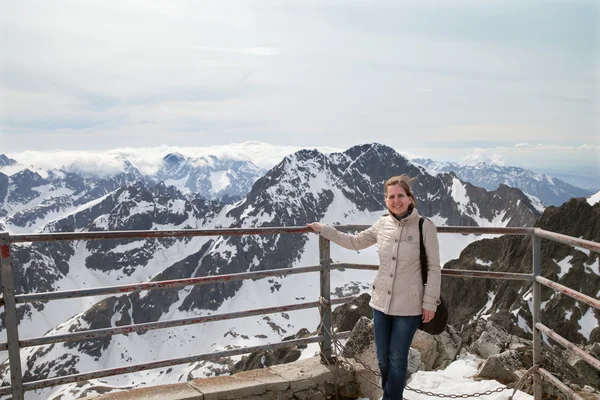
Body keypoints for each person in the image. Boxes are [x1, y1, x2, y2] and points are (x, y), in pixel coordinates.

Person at [306, 175, 441, 400]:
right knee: (382, 359)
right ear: (386, 200)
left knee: (397, 358)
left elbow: (434, 268)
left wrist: (429, 304)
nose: (396, 200)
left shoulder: (424, 226)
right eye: (391, 197)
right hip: (380, 303)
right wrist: (324, 230)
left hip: (409, 306)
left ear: (410, 198)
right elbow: (355, 242)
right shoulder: (382, 223)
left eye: (400, 195)